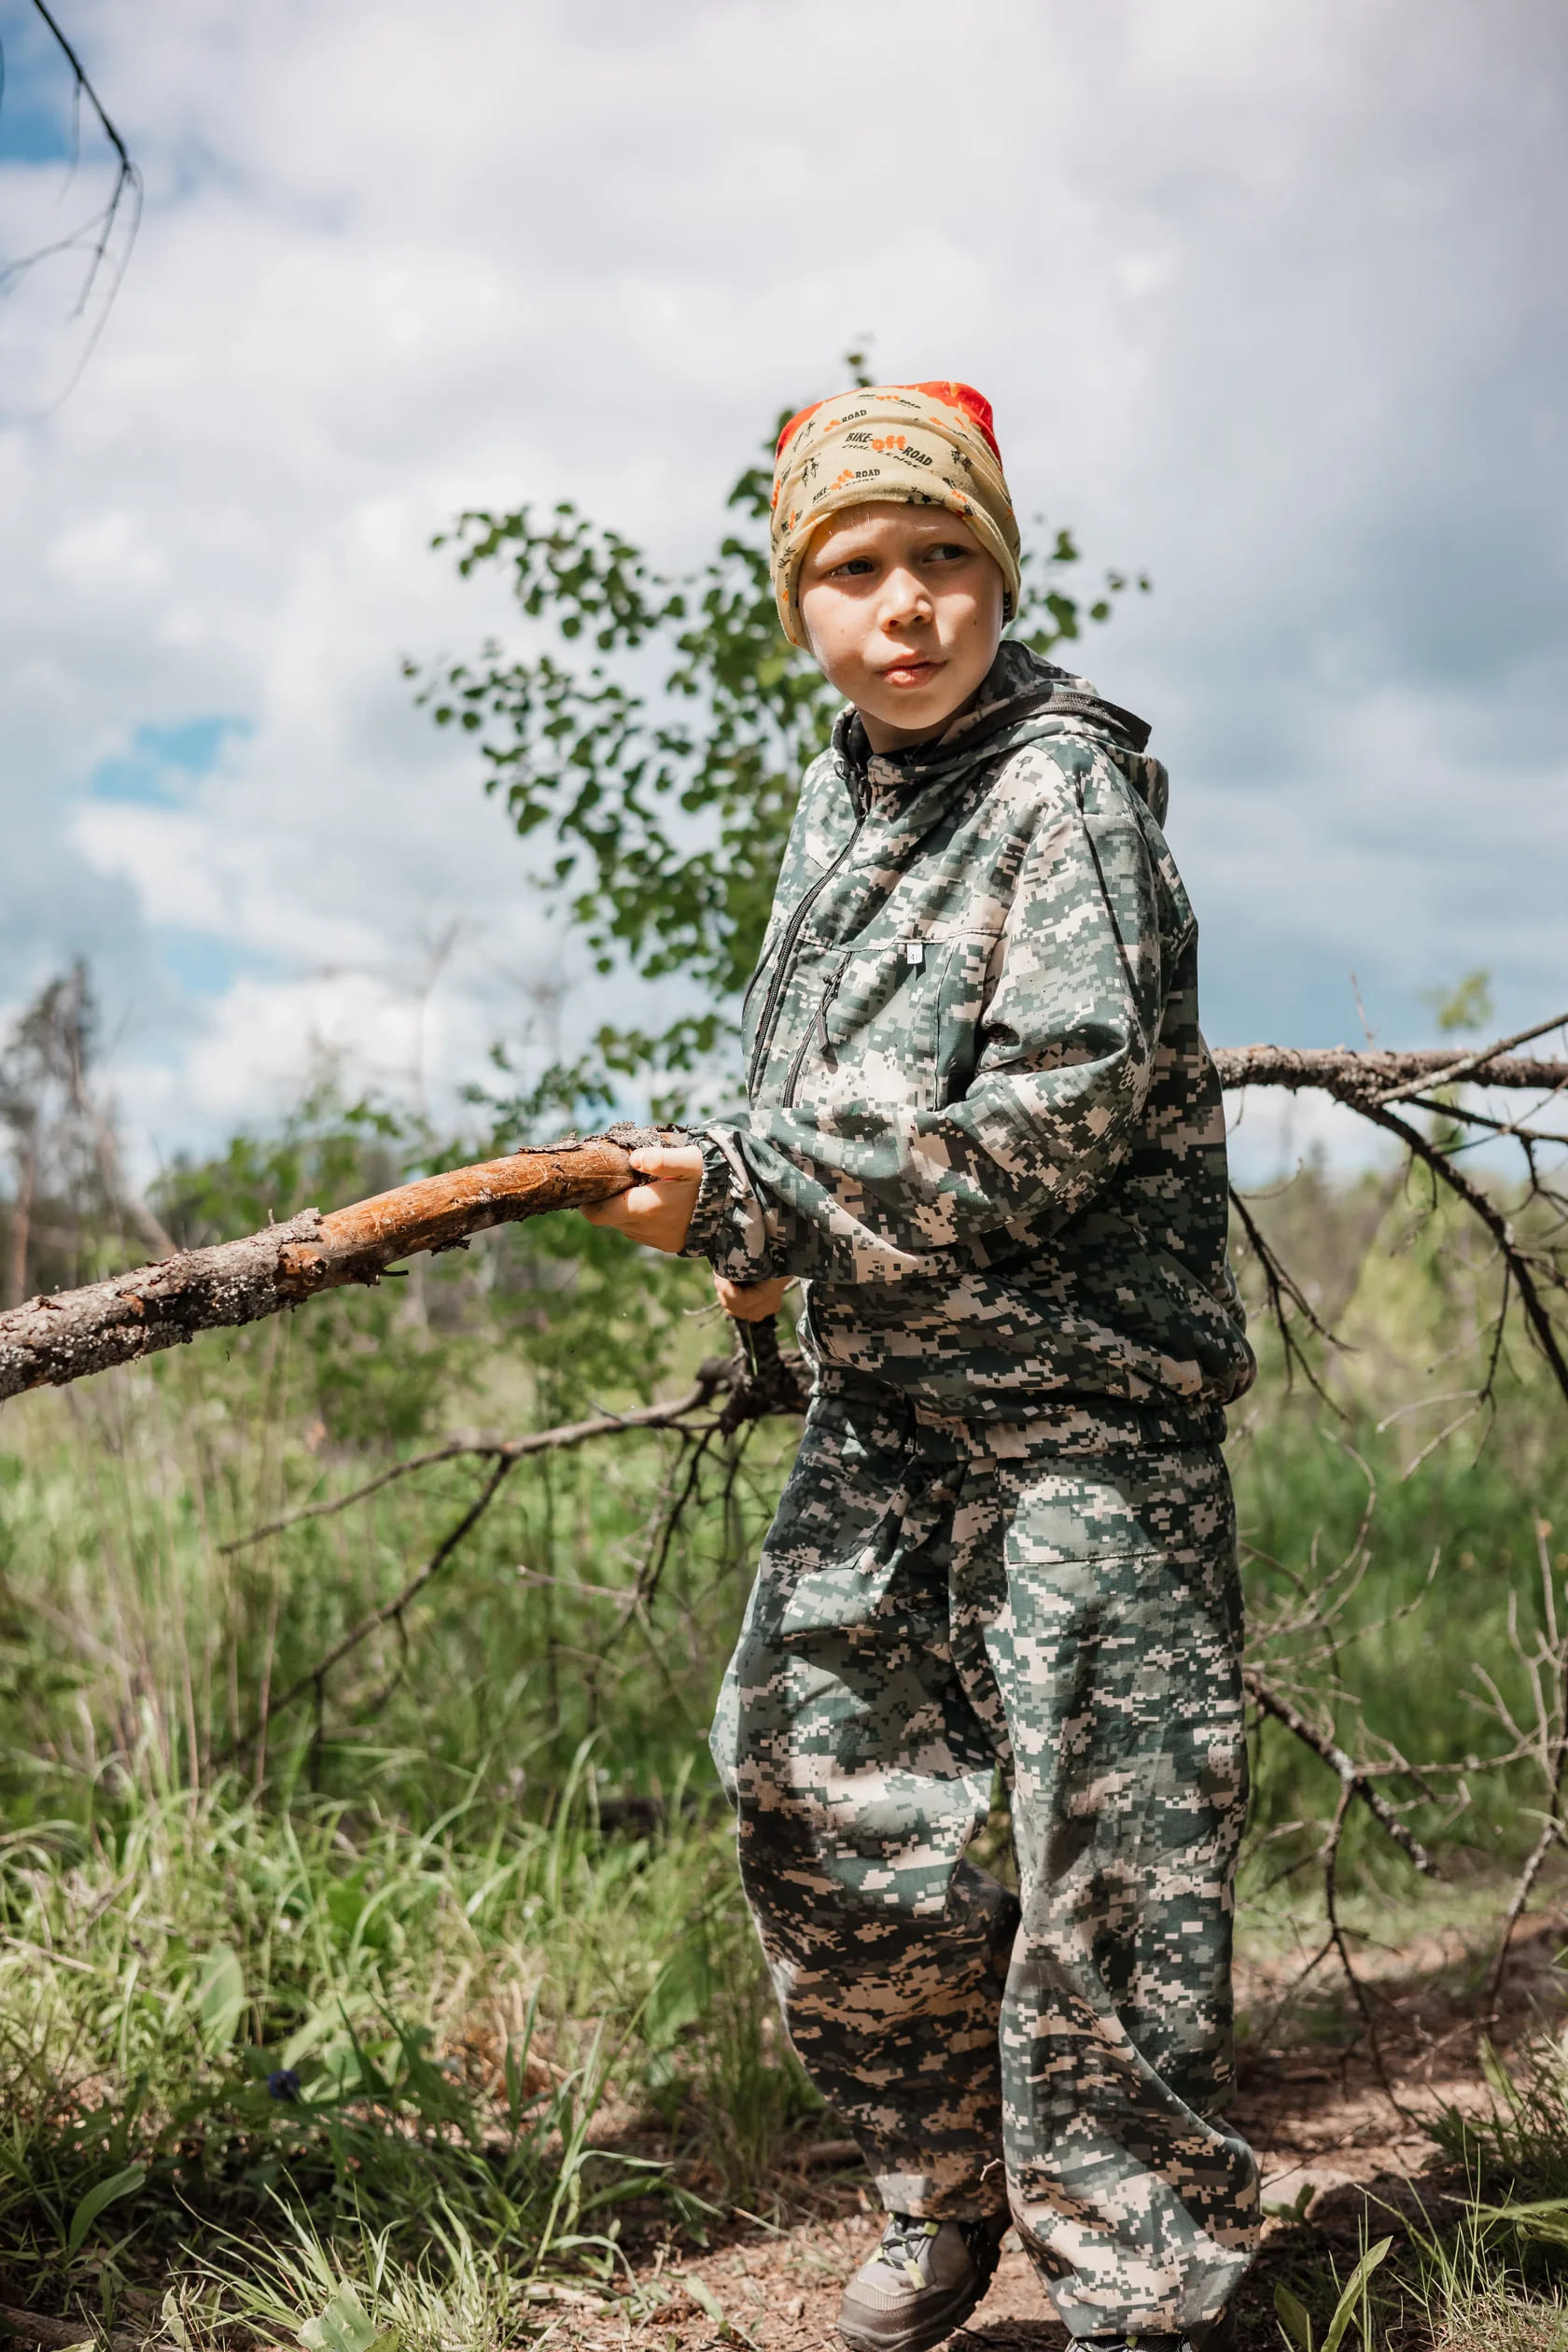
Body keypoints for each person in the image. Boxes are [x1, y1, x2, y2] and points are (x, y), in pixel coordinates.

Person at [581, 381, 1259, 2352]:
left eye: (945, 559)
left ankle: (1153, 2285)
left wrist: (756, 1194)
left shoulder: (1063, 793)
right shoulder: (844, 795)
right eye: (859, 569)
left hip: (1080, 1409)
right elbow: (805, 1082)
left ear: (1001, 572)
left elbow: (1047, 1116)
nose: (908, 607)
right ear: (799, 602)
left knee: (1108, 1849)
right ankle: (940, 2203)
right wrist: (732, 1210)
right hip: (891, 1405)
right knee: (813, 1778)